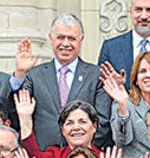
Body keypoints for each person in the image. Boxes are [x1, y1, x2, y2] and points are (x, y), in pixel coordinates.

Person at [11, 14, 111, 149]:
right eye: (60, 37)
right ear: (51, 39)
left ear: (81, 40)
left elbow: (103, 121)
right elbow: (16, 113)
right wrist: (20, 74)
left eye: (71, 38)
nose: (65, 43)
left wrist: (84, 149)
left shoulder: (96, 75)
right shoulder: (35, 75)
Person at [16, 93, 102, 158]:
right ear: (63, 130)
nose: (76, 127)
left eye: (82, 122)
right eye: (69, 123)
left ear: (94, 126)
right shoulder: (55, 156)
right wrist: (25, 120)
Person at [105, 50, 150, 158]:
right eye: (142, 71)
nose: (148, 75)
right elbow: (121, 140)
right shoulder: (123, 102)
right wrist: (123, 107)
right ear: (136, 80)